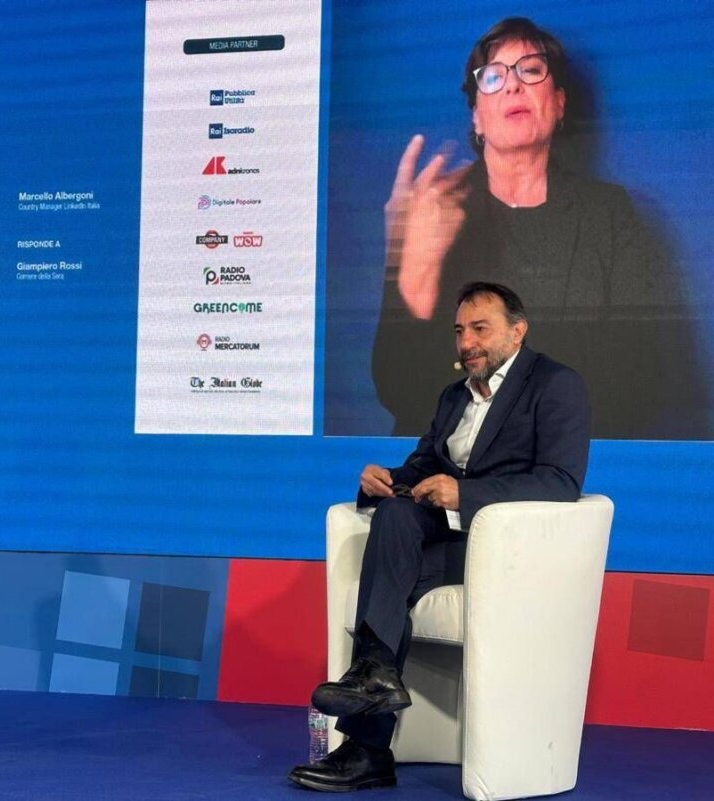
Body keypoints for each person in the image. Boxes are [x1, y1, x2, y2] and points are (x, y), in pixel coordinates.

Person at [288, 282, 590, 792]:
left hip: (509, 554)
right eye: (459, 331)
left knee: (389, 582)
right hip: (448, 545)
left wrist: (465, 494)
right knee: (394, 515)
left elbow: (560, 482)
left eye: (480, 329)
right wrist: (384, 480)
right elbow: (422, 467)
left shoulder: (555, 384)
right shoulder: (454, 397)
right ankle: (376, 683)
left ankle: (367, 746)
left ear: (517, 331)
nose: (467, 342)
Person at [371, 16, 708, 439]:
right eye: (493, 76)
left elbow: (641, 381)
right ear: (477, 117)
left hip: (564, 465)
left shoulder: (610, 214)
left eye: (530, 70)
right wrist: (414, 270)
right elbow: (399, 392)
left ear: (559, 104)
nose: (513, 85)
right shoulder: (431, 210)